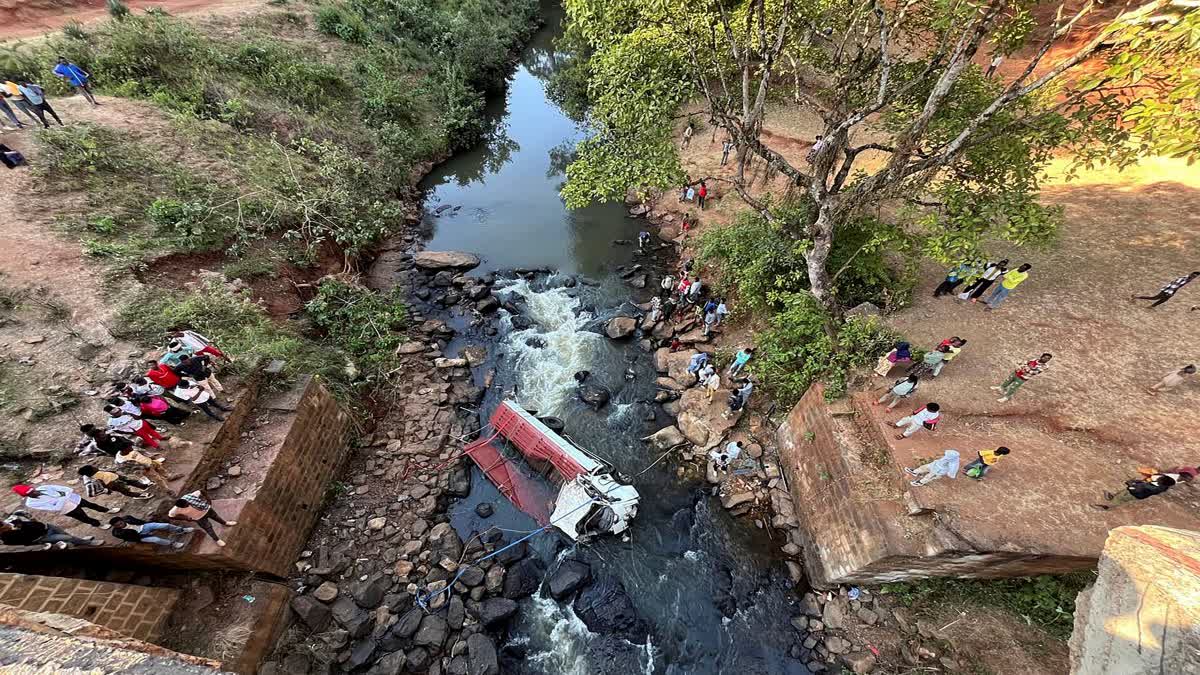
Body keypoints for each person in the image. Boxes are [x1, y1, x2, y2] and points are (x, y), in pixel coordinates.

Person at [11, 484, 119, 528]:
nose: (35, 492)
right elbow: (54, 508)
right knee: (84, 518)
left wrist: (63, 497)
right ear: (26, 496)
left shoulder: (43, 487)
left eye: (33, 490)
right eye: (31, 493)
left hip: (74, 498)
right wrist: (63, 498)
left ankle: (107, 510)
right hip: (68, 509)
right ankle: (98, 525)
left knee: (92, 505)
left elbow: (64, 489)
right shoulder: (32, 503)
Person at [168, 491, 236, 546]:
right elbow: (170, 516)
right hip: (198, 518)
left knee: (216, 517)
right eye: (186, 505)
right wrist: (185, 518)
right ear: (181, 507)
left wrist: (208, 499)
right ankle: (217, 539)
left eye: (187, 503)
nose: (188, 504)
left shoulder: (188, 497)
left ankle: (225, 523)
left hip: (207, 510)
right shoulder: (175, 509)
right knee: (208, 528)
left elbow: (201, 491)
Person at [1, 511, 96, 549]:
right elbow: (27, 540)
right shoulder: (7, 536)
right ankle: (87, 543)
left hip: (47, 527)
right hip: (44, 537)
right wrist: (20, 528)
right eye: (3, 525)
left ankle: (78, 542)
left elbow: (32, 522)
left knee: (66, 534)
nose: (6, 524)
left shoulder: (12, 523)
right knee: (67, 537)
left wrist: (29, 518)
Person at [1092, 475, 1176, 510]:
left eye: (1160, 478)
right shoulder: (1163, 486)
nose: (1158, 477)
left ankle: (1107, 507)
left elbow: (1139, 488)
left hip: (1133, 493)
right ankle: (1112, 496)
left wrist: (1131, 484)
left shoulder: (1154, 487)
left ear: (1161, 482)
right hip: (1137, 491)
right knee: (1121, 493)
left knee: (1120, 499)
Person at [110, 517, 193, 548]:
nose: (121, 525)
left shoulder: (127, 518)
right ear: (116, 526)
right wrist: (147, 535)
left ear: (122, 520)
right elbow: (135, 538)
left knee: (165, 525)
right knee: (156, 539)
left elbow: (140, 521)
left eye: (121, 522)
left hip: (143, 526)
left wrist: (150, 524)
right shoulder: (120, 533)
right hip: (139, 535)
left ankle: (181, 530)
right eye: (118, 525)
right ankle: (173, 543)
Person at [78, 465, 153, 499]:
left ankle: (144, 486)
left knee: (131, 481)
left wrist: (115, 472)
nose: (95, 467)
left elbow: (107, 471)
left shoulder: (97, 471)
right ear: (91, 471)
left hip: (117, 477)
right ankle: (139, 495)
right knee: (126, 491)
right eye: (93, 467)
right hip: (114, 484)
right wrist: (107, 490)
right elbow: (99, 487)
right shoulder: (93, 479)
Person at [1131, 272, 1200, 308]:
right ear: (1191, 274)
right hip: (1168, 290)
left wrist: (1173, 292)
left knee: (1163, 300)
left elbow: (1177, 286)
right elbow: (1175, 285)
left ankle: (1150, 307)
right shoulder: (1184, 279)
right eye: (1194, 276)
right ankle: (1136, 297)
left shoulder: (1188, 279)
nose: (1194, 277)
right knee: (1155, 298)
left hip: (1170, 291)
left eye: (1196, 277)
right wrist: (1170, 292)